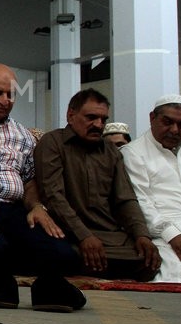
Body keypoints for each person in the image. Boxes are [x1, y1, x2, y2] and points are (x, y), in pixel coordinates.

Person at [0, 63, 80, 276]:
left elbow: (28, 179)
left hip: (13, 209)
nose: (5, 100)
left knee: (64, 255)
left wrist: (36, 207)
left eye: (10, 94)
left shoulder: (22, 134)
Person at [34, 89, 160, 281]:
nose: (98, 125)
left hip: (112, 236)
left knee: (149, 260)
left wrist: (142, 235)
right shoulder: (53, 142)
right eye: (91, 117)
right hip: (69, 232)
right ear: (70, 115)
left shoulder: (111, 151)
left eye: (103, 119)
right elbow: (53, 197)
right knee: (64, 257)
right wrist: (84, 236)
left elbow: (125, 200)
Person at [121, 94, 181, 283]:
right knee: (176, 274)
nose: (174, 130)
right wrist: (173, 235)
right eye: (168, 122)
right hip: (163, 235)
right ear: (152, 118)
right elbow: (140, 202)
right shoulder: (133, 153)